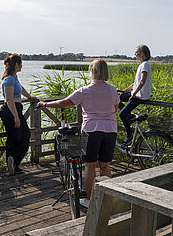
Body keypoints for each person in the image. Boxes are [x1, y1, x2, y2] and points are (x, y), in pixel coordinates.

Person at [37, 59, 119, 208]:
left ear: (92, 71)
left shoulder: (85, 91)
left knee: (90, 165)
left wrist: (45, 104)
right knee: (105, 165)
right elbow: (115, 108)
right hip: (111, 129)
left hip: (92, 129)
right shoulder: (113, 89)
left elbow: (64, 102)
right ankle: (105, 199)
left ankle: (88, 200)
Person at [0, 54, 35, 175]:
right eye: (21, 64)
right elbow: (9, 100)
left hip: (16, 109)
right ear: (16, 64)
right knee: (14, 137)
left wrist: (30, 97)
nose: (22, 66)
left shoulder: (14, 78)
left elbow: (20, 89)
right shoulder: (9, 79)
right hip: (10, 110)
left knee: (25, 136)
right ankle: (11, 162)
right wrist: (16, 117)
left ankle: (14, 163)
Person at [118, 44, 152, 144]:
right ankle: (131, 117)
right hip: (136, 94)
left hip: (140, 96)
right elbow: (135, 84)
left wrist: (133, 94)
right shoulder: (142, 65)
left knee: (122, 114)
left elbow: (142, 81)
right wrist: (123, 91)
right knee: (117, 97)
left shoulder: (145, 64)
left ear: (141, 53)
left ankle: (129, 135)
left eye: (136, 52)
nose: (135, 53)